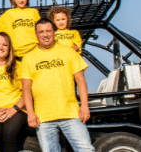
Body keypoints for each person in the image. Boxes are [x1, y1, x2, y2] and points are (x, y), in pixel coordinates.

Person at [21, 18, 94, 152]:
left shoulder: (69, 52)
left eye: (48, 31)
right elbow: (26, 89)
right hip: (43, 117)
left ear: (54, 33)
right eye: (41, 32)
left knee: (86, 150)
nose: (45, 34)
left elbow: (81, 80)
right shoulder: (28, 58)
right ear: (36, 35)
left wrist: (84, 106)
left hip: (71, 114)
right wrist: (30, 113)